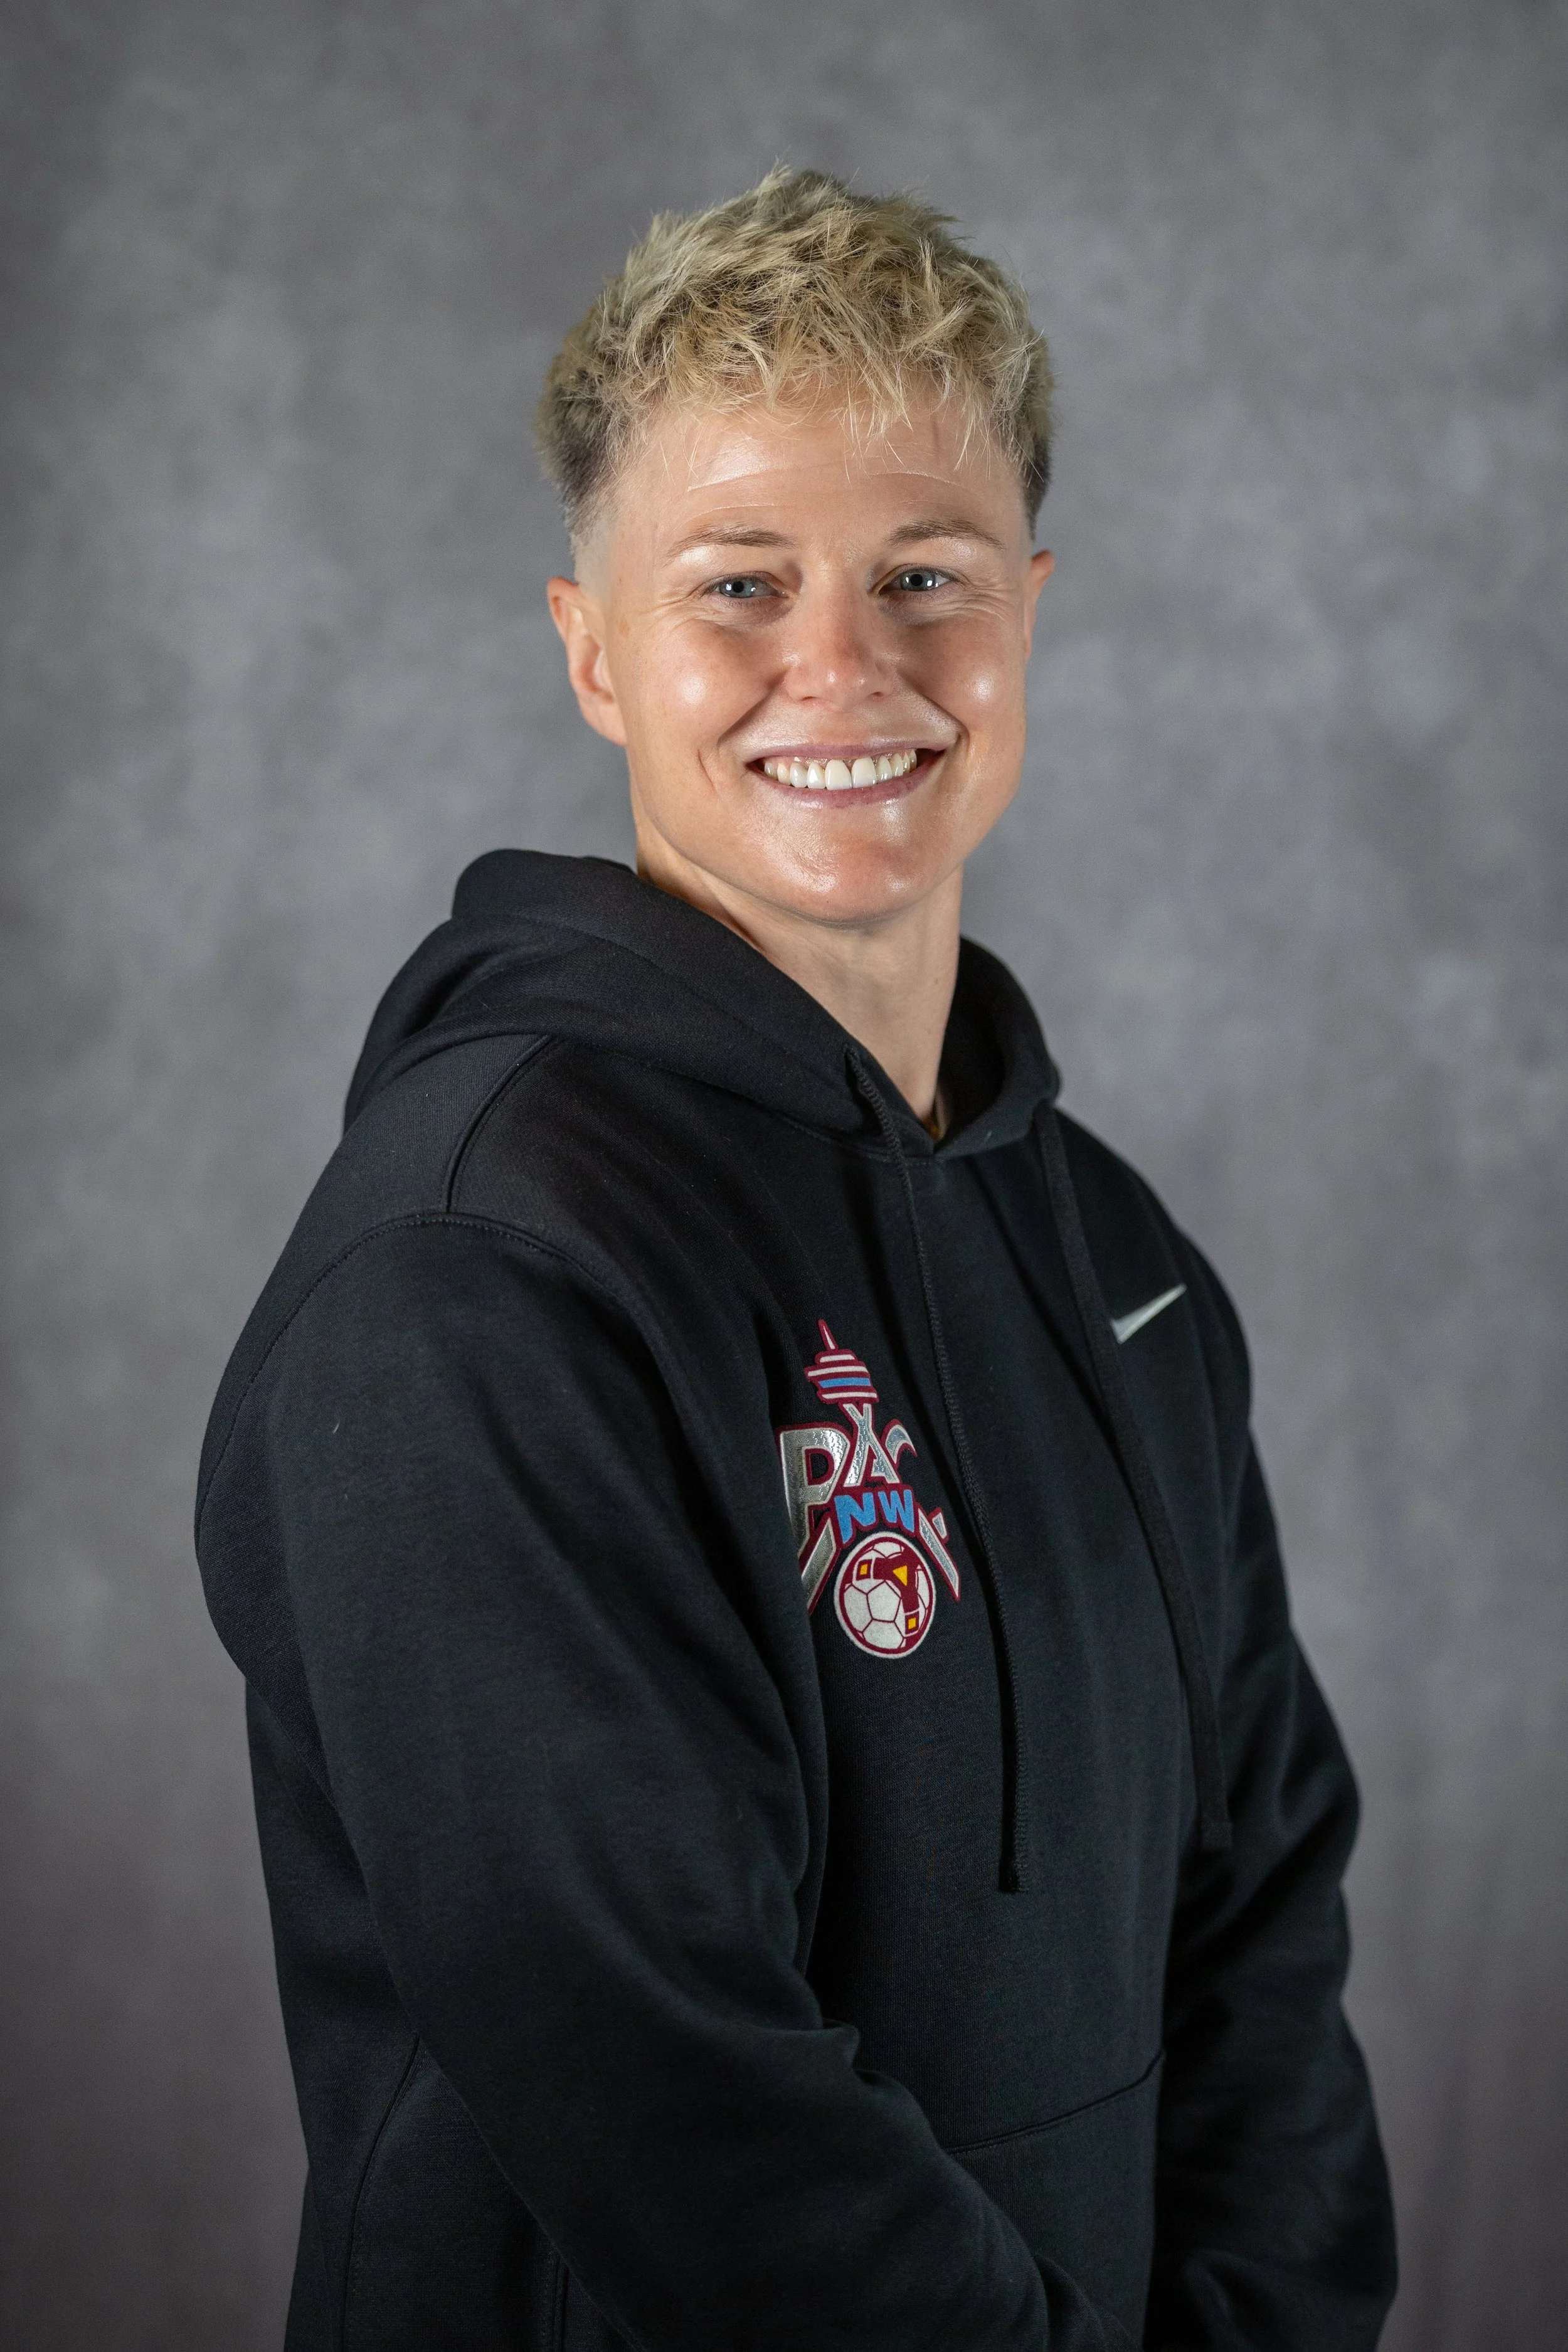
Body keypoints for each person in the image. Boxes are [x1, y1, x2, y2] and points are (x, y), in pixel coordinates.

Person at [197, 169, 1396, 2351]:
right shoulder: (479, 1265)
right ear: (589, 650)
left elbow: (1263, 1927)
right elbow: (657, 2078)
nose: (842, 669)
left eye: (922, 574)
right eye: (737, 582)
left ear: (1026, 609)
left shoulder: (1117, 1262)